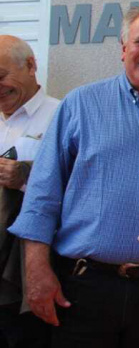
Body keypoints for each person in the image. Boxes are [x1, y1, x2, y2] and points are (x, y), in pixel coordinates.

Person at [8, 2, 139, 348]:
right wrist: (37, 270)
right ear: (123, 48)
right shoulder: (79, 105)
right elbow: (42, 195)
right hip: (82, 288)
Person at [0, 36, 60, 348]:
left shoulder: (61, 115)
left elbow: (79, 182)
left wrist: (25, 175)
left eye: (1, 76)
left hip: (25, 273)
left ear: (31, 65)